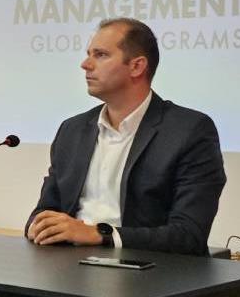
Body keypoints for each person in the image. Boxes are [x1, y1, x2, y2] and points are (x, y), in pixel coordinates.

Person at [25, 18, 227, 256]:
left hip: (147, 267)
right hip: (67, 264)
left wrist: (100, 234)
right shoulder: (72, 130)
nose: (85, 64)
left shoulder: (188, 130)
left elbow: (188, 235)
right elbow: (44, 212)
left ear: (137, 67)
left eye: (100, 55)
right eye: (88, 54)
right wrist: (38, 226)